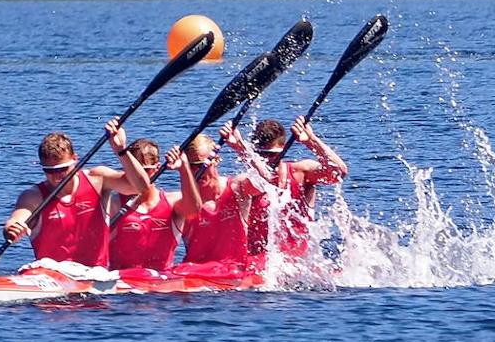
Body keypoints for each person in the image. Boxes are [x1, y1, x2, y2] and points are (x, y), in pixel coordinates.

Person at [2, 121, 145, 267]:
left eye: (62, 169)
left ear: (75, 159)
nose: (57, 177)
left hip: (94, 274)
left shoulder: (97, 179)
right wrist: (12, 228)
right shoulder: (33, 196)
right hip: (50, 274)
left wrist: (121, 150)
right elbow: (18, 217)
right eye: (49, 171)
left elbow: (140, 186)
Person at [227, 116, 348, 257]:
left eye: (271, 155)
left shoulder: (301, 173)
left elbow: (339, 172)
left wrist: (311, 141)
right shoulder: (246, 183)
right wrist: (240, 148)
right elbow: (265, 178)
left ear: (283, 150)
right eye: (260, 154)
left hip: (299, 263)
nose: (266, 159)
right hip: (260, 264)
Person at [106, 133, 201, 272]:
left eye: (145, 171)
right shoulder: (113, 205)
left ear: (157, 168)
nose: (140, 177)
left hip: (160, 285)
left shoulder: (172, 202)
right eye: (132, 170)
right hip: (124, 286)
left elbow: (194, 210)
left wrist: (184, 168)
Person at [178, 131, 249, 266]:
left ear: (216, 160)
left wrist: (240, 147)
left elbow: (268, 179)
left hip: (235, 270)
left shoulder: (238, 188)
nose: (198, 171)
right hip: (197, 276)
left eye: (202, 164)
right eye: (192, 166)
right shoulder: (181, 204)